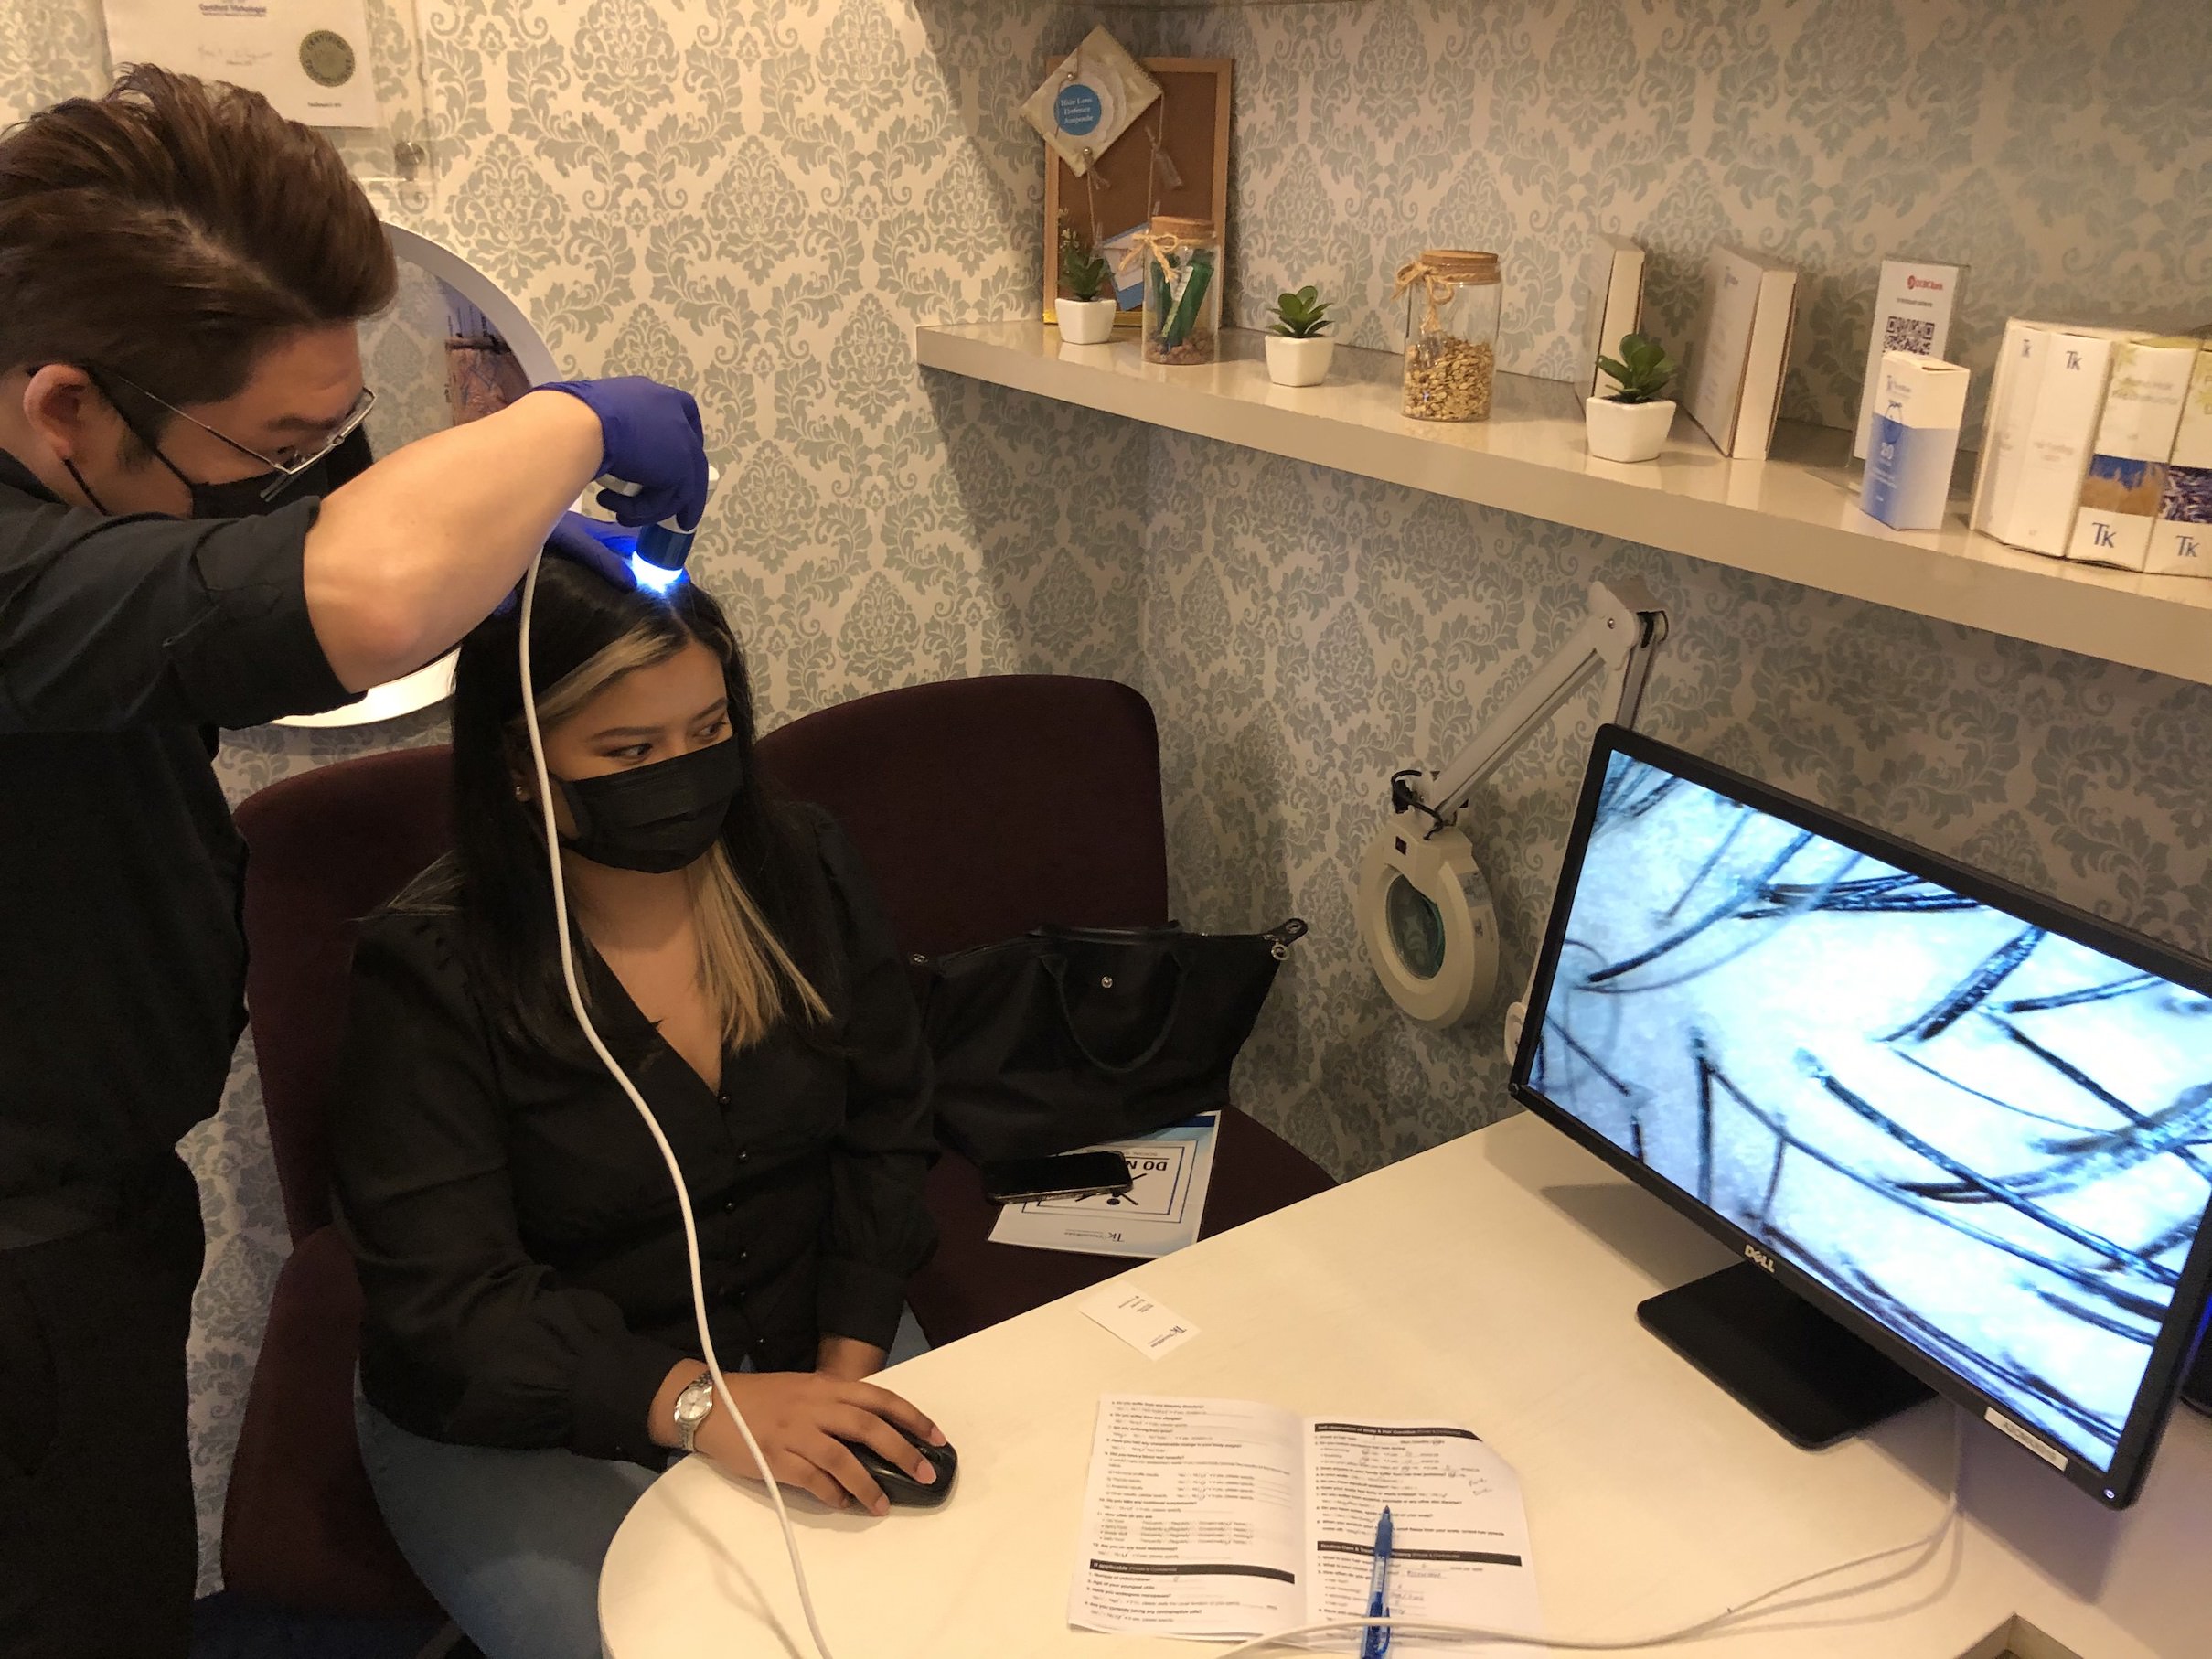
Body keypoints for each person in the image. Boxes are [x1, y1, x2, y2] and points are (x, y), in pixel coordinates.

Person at [0, 67, 711, 1657]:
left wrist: (528, 517)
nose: (307, 486)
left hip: (99, 1217)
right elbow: (364, 600)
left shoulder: (89, 478)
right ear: (67, 408)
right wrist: (575, 414)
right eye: (273, 452)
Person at [329, 560, 944, 1659]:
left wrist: (844, 1370)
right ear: (524, 768)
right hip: (527, 1414)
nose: (683, 773)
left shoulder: (797, 864)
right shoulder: (433, 965)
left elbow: (888, 1121)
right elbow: (449, 1296)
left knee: (924, 1608)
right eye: (629, 753)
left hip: (807, 1335)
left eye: (708, 731)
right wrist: (708, 1410)